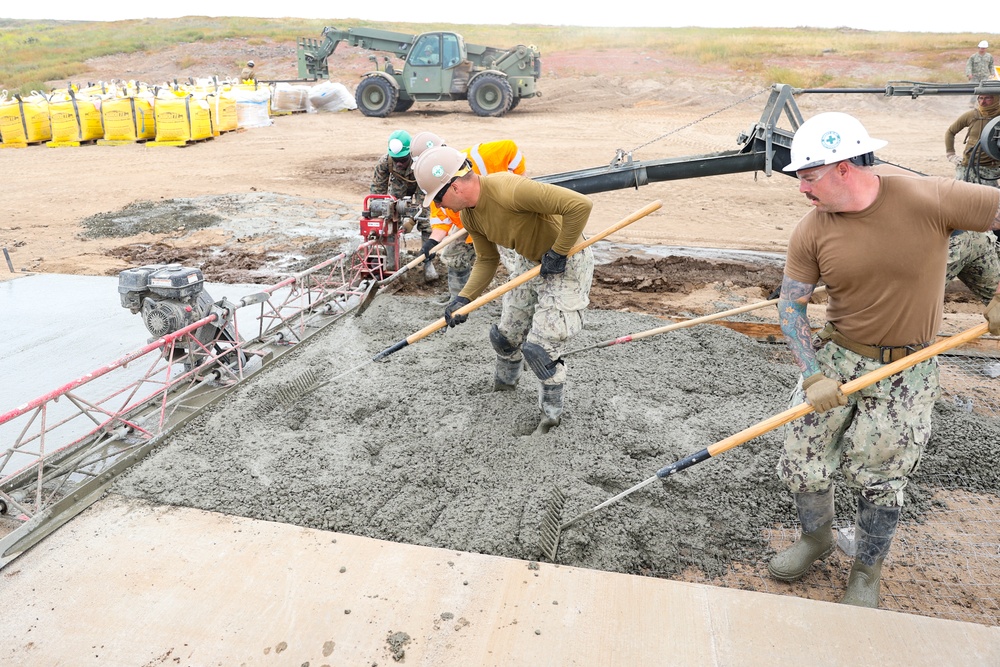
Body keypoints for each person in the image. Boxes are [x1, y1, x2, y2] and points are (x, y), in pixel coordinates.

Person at [767, 112, 1000, 608]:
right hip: (840, 355)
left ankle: (866, 570)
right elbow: (791, 306)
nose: (801, 190)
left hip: (908, 371)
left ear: (844, 168)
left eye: (809, 178)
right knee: (800, 454)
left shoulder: (929, 197)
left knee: (882, 473)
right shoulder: (810, 231)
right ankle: (816, 538)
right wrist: (812, 375)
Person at [414, 145, 593, 435]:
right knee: (505, 337)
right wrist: (463, 299)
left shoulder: (510, 190)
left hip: (567, 261)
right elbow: (487, 259)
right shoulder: (471, 215)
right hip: (529, 262)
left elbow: (579, 206)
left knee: (540, 349)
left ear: (455, 186)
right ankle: (503, 391)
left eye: (439, 198)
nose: (440, 207)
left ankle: (550, 421)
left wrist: (559, 252)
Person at [411, 131, 527, 302]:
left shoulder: (478, 157)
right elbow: (441, 217)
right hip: (471, 223)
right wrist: (432, 242)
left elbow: (510, 149)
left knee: (515, 261)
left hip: (502, 218)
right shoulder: (436, 184)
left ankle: (523, 300)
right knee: (453, 254)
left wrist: (519, 183)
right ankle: (459, 300)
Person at [370, 130, 438, 281]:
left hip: (420, 186)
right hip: (397, 191)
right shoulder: (385, 162)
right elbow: (377, 190)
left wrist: (413, 220)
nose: (399, 163)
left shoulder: (421, 162)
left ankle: (428, 262)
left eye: (403, 159)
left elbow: (424, 197)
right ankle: (392, 263)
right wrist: (376, 216)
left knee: (426, 222)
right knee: (389, 220)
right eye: (396, 160)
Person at [945, 81, 1000, 187]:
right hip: (967, 167)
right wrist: (951, 155)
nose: (982, 102)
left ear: (997, 98)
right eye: (980, 98)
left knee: (989, 200)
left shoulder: (998, 118)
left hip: (989, 170)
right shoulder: (972, 115)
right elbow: (950, 132)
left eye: (988, 98)